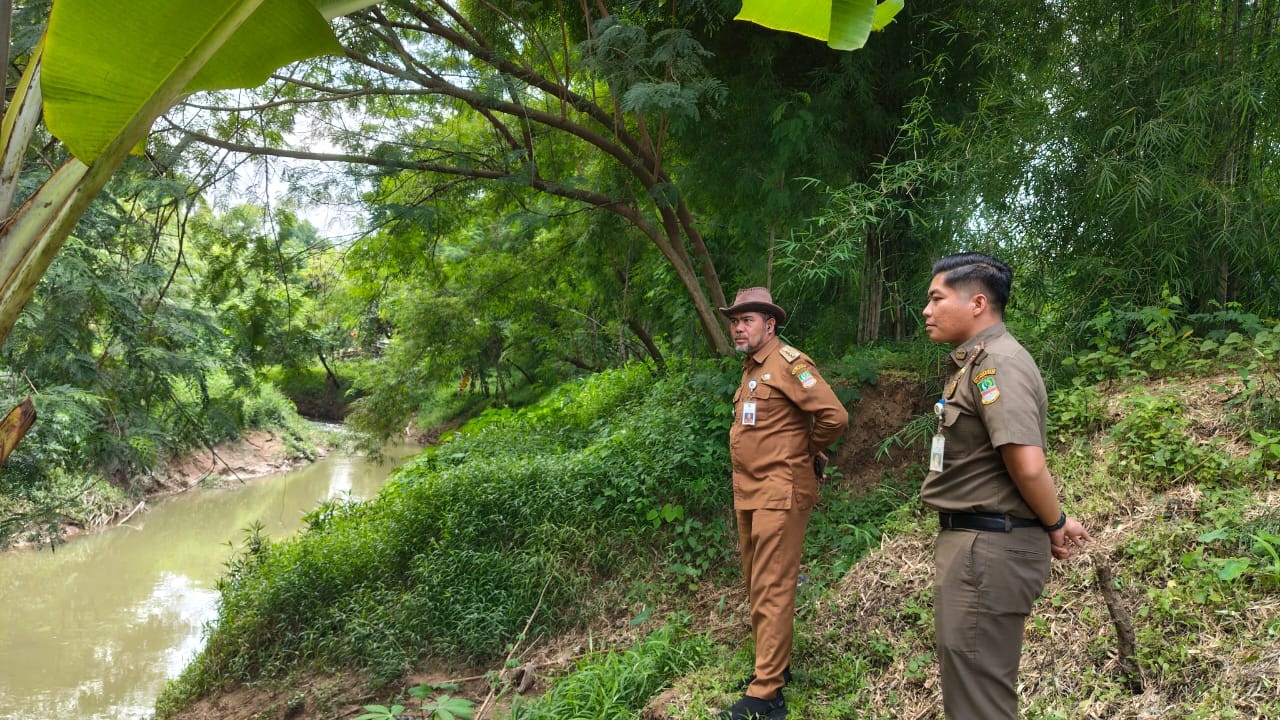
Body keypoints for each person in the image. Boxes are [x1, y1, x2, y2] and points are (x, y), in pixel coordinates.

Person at [920, 253, 1093, 719]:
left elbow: (1028, 466)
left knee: (981, 704)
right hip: (977, 542)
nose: (926, 310)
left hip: (988, 547)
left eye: (936, 298)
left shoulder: (999, 364)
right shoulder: (976, 362)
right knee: (971, 693)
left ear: (977, 302)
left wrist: (1055, 521)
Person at [717, 287, 849, 720]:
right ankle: (773, 668)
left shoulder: (789, 362)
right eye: (735, 320)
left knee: (772, 587)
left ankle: (766, 696)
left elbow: (834, 415)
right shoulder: (751, 368)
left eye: (747, 319)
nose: (738, 326)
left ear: (769, 325)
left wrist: (805, 451)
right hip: (751, 492)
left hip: (780, 491)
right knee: (758, 583)